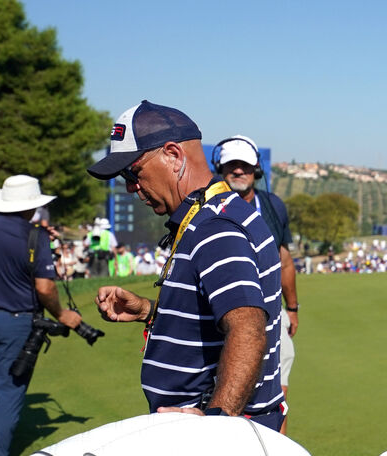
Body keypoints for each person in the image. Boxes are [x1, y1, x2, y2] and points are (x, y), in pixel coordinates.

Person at [89, 101, 284, 428]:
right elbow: (210, 313)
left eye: (133, 173)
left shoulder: (214, 228)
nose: (130, 187)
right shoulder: (217, 212)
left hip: (209, 434)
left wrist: (216, 424)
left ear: (173, 155)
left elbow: (247, 329)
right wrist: (149, 311)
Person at [0, 175, 84, 456]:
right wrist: (62, 313)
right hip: (13, 322)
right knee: (6, 392)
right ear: (31, 205)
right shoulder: (34, 236)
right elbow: (44, 287)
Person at [214, 135, 298, 432]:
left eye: (245, 166)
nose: (238, 172)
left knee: (277, 381)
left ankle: (278, 450)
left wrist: (293, 307)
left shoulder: (272, 205)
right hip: (220, 310)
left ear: (256, 171)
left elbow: (284, 259)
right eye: (231, 166)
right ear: (219, 169)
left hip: (272, 309)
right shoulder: (208, 207)